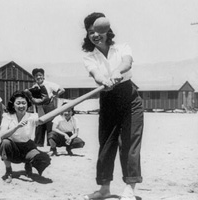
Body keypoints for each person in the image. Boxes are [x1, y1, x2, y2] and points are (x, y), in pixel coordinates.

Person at [82, 12, 144, 200]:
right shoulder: (88, 55)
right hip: (108, 99)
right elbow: (95, 74)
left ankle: (130, 189)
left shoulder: (122, 47)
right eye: (90, 32)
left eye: (98, 31)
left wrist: (117, 72)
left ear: (107, 31)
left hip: (129, 97)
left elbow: (127, 62)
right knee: (106, 144)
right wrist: (104, 80)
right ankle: (104, 188)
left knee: (129, 143)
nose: (94, 35)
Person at [0, 91, 51, 183]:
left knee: (44, 159)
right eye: (18, 103)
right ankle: (8, 171)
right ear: (13, 105)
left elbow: (42, 120)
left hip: (27, 147)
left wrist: (38, 105)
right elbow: (2, 136)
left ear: (27, 104)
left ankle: (28, 166)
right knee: (5, 143)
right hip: (13, 148)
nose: (21, 106)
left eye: (24, 103)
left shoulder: (31, 116)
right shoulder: (7, 116)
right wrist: (17, 126)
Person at [25, 68, 65, 147]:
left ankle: (52, 147)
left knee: (50, 126)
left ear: (43, 76)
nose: (38, 77)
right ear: (34, 77)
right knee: (39, 126)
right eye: (36, 76)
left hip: (49, 106)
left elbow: (62, 90)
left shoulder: (49, 84)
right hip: (39, 107)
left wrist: (54, 96)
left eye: (40, 75)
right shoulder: (34, 87)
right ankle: (38, 146)